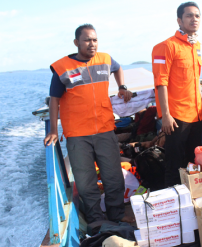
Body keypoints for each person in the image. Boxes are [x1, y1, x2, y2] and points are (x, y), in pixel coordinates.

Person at [44, 24, 135, 224]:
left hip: (104, 129)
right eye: (87, 40)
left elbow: (118, 68)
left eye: (94, 40)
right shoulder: (62, 68)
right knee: (86, 183)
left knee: (113, 178)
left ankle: (117, 216)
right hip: (78, 135)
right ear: (76, 43)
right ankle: (96, 221)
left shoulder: (105, 59)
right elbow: (54, 100)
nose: (92, 44)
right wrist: (52, 130)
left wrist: (122, 87)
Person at [151, 2, 202, 186]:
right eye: (189, 16)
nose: (194, 19)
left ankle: (191, 201)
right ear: (179, 20)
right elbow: (160, 82)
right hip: (176, 117)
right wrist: (165, 115)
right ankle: (174, 208)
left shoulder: (196, 45)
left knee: (192, 163)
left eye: (197, 16)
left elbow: (194, 77)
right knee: (174, 166)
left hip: (196, 114)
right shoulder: (165, 46)